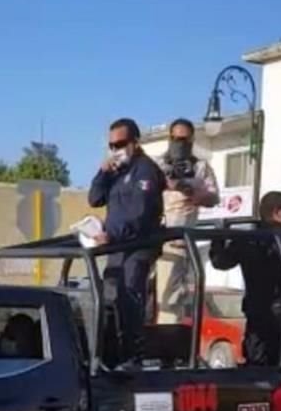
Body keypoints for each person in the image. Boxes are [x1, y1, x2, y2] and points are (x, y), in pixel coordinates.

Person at [209, 191, 281, 366]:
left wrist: (218, 238)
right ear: (278, 212)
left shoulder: (249, 238)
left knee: (257, 367)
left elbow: (220, 262)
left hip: (260, 315)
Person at [88, 117, 165, 360]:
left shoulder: (146, 171)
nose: (116, 150)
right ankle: (112, 354)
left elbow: (139, 215)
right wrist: (103, 172)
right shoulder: (116, 172)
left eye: (120, 144)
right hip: (116, 248)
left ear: (135, 142)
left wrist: (112, 235)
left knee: (130, 299)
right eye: (112, 146)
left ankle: (133, 357)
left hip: (136, 247)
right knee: (110, 300)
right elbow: (94, 198)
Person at [158, 118, 220, 321]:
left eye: (183, 139)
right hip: (153, 238)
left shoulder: (201, 168)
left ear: (192, 139)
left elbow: (213, 197)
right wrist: (167, 184)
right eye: (174, 138)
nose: (178, 143)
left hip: (179, 242)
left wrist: (191, 191)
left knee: (171, 304)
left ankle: (166, 348)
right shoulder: (157, 164)